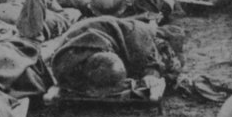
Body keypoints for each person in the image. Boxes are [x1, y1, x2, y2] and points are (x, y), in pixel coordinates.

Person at [49, 15, 182, 101]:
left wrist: (151, 74)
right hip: (91, 30)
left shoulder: (137, 41)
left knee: (172, 64)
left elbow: (151, 60)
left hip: (128, 31)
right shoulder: (64, 63)